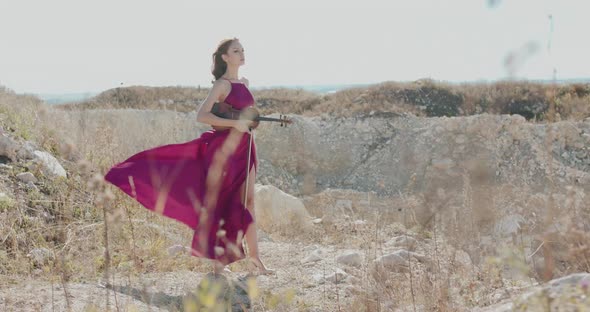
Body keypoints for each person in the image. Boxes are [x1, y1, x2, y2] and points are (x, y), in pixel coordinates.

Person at [104, 37, 274, 275]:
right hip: (225, 149)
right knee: (222, 202)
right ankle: (218, 262)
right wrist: (235, 125)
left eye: (243, 50)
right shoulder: (222, 85)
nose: (242, 54)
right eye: (236, 50)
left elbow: (243, 113)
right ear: (225, 57)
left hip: (246, 146)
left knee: (249, 201)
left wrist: (247, 123)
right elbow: (202, 115)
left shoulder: (244, 83)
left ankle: (256, 260)